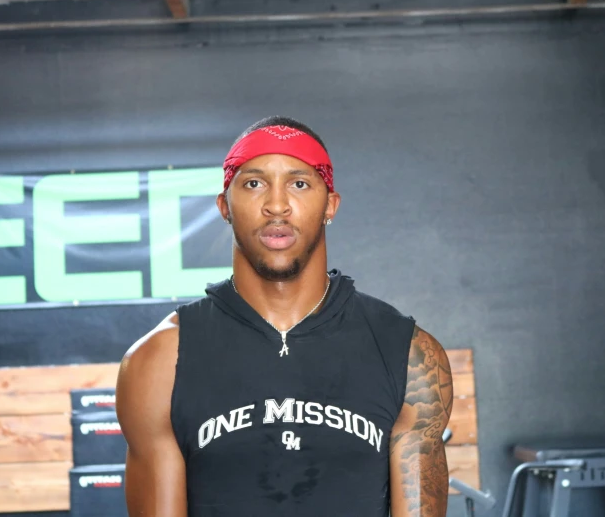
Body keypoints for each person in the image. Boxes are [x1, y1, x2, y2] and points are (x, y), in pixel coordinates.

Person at [116, 116, 453, 517]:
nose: (277, 205)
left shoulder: (408, 354)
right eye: (254, 183)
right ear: (225, 206)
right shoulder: (159, 361)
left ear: (330, 204)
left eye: (299, 183)